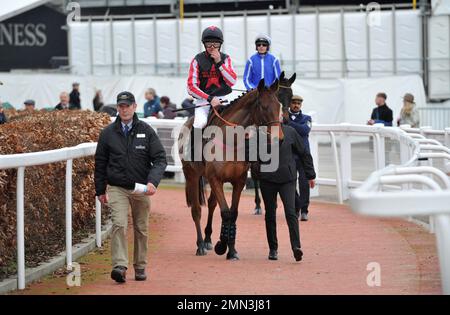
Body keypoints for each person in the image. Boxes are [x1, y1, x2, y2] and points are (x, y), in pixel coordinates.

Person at [94, 91, 167, 283]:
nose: (124, 109)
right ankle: (120, 265)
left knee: (141, 228)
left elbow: (160, 159)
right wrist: (100, 190)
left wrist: (152, 182)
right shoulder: (107, 133)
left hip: (141, 187)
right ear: (118, 108)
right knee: (119, 224)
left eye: (127, 105)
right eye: (121, 106)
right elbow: (100, 163)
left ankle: (140, 266)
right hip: (116, 187)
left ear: (135, 107)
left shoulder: (147, 131)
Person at [258, 123, 316, 262]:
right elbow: (250, 155)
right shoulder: (260, 132)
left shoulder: (290, 132)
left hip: (287, 179)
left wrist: (310, 174)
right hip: (267, 179)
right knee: (270, 214)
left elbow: (304, 152)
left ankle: (296, 247)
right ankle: (273, 249)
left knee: (291, 212)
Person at [186, 25, 237, 160]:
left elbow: (232, 81)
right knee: (199, 123)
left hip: (224, 98)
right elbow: (191, 86)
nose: (212, 47)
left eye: (215, 43)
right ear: (204, 44)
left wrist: (219, 62)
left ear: (220, 44)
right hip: (204, 100)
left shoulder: (226, 59)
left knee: (237, 123)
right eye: (209, 43)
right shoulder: (197, 60)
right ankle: (194, 157)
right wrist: (209, 99)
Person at [284, 95, 312, 221]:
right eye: (294, 102)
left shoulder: (307, 118)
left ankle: (304, 209)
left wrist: (289, 123)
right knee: (290, 182)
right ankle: (296, 207)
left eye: (298, 103)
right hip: (289, 154)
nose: (296, 105)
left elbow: (304, 130)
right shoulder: (283, 117)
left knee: (304, 183)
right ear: (290, 104)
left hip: (303, 155)